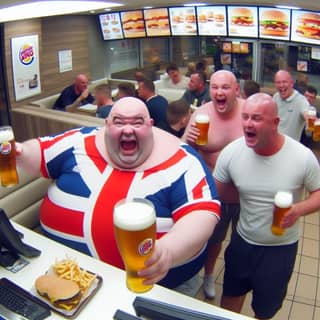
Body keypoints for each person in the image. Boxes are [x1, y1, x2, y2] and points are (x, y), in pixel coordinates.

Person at [16, 97, 220, 296]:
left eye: (137, 122)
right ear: (106, 125)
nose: (127, 129)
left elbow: (202, 216)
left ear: (151, 126)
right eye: (119, 122)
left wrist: (168, 250)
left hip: (156, 292)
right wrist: (18, 151)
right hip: (64, 282)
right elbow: (38, 153)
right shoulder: (78, 142)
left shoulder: (183, 161)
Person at [214, 93, 320, 319]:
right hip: (242, 241)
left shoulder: (302, 157)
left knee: (264, 309)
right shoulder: (232, 152)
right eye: (245, 117)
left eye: (257, 118)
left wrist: (298, 210)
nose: (248, 124)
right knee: (230, 297)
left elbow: (318, 193)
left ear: (275, 123)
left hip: (279, 249)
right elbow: (219, 192)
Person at [183, 70, 244, 299]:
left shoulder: (249, 112)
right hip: (214, 196)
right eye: (215, 87)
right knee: (213, 242)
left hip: (244, 197)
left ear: (236, 90)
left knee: (241, 246)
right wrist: (186, 142)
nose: (219, 92)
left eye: (225, 87)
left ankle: (235, 281)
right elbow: (185, 154)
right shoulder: (200, 114)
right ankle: (209, 276)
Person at [273, 70, 309, 141]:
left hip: (290, 148)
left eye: (284, 82)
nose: (281, 85)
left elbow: (307, 114)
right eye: (278, 82)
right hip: (273, 144)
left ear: (292, 83)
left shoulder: (301, 100)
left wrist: (310, 121)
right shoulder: (275, 97)